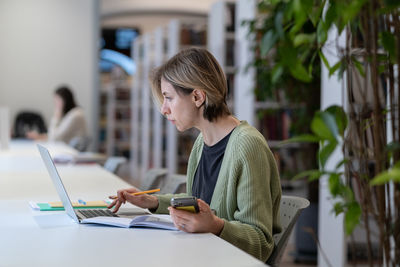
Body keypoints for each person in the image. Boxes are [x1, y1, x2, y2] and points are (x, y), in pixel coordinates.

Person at [108, 48, 282, 262]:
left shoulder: (248, 146)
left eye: (169, 98)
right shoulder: (202, 142)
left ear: (198, 96)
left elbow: (261, 244)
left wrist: (216, 226)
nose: (164, 109)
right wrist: (151, 201)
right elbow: (201, 203)